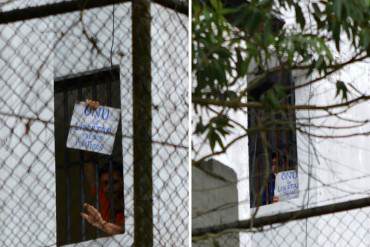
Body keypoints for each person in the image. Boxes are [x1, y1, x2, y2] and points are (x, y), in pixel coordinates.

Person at [80, 99, 124, 235]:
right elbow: (87, 160)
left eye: (115, 182)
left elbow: (125, 231)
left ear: (124, 181)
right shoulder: (105, 198)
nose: (110, 187)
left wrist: (103, 225)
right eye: (105, 183)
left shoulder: (132, 200)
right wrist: (92, 117)